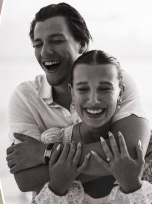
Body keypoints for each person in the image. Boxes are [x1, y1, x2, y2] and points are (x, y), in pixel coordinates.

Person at [6, 2, 150, 198]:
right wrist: (112, 165)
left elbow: (131, 155)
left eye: (56, 41)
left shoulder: (115, 81)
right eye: (38, 44)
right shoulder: (24, 97)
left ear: (82, 44)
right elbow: (25, 180)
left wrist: (43, 154)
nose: (45, 52)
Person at [32, 50, 152, 203]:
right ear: (72, 93)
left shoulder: (143, 150)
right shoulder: (55, 141)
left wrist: (133, 187)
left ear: (120, 93)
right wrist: (56, 188)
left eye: (104, 88)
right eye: (83, 89)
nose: (94, 99)